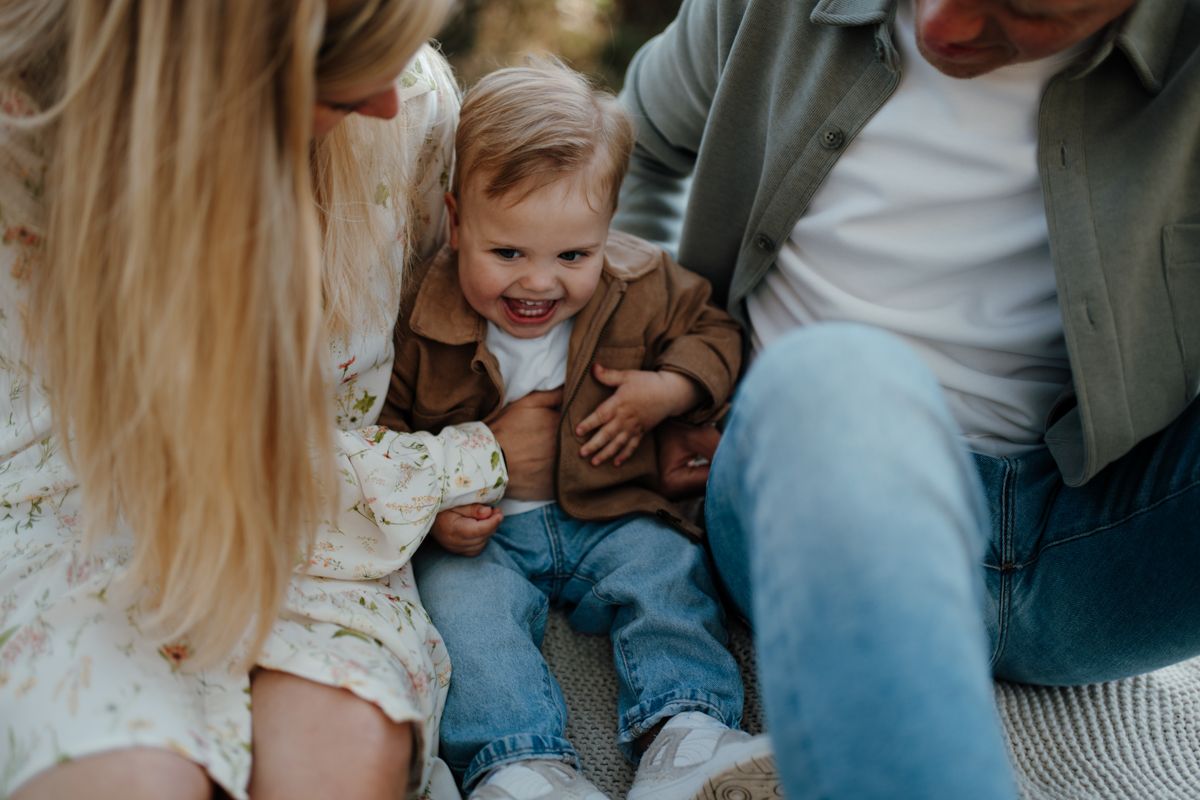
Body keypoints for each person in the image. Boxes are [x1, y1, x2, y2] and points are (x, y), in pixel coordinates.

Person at [611, 0, 1200, 798]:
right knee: (840, 371)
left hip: (1095, 544)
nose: (940, 28)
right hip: (814, 493)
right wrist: (672, 368)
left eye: (1023, 8)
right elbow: (635, 151)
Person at [0, 2, 562, 798]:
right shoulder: (24, 132)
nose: (385, 101)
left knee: (337, 763)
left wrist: (648, 383)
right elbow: (86, 465)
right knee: (129, 779)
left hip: (327, 546)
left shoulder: (409, 105)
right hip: (74, 535)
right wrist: (472, 458)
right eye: (337, 76)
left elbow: (497, 291)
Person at [378, 61, 775, 800]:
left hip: (611, 510)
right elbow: (388, 430)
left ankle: (686, 731)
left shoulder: (641, 282)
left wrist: (670, 388)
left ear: (607, 228)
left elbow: (714, 333)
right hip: (486, 534)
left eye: (573, 255)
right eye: (508, 253)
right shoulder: (417, 319)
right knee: (461, 612)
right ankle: (520, 761)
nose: (539, 282)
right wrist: (435, 513)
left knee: (669, 572)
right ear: (456, 222)